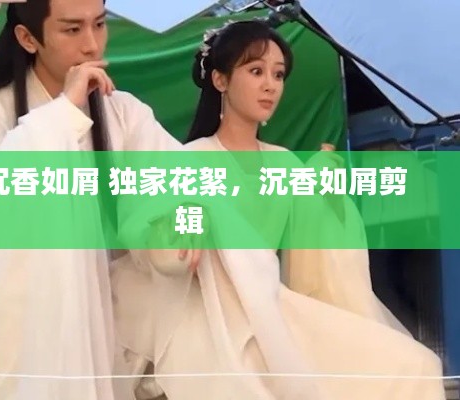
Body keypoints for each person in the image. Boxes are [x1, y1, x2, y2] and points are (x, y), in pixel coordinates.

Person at [111, 20, 446, 400]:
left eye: (279, 74)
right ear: (220, 80)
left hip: (272, 307)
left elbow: (317, 240)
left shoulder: (284, 163)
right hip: (208, 314)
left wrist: (325, 189)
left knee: (414, 364)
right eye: (256, 71)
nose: (270, 85)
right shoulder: (189, 160)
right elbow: (163, 240)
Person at [0, 0, 199, 399]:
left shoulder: (124, 113)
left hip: (94, 318)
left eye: (100, 24)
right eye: (72, 29)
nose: (92, 44)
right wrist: (62, 114)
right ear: (27, 37)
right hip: (14, 330)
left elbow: (179, 184)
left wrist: (179, 223)